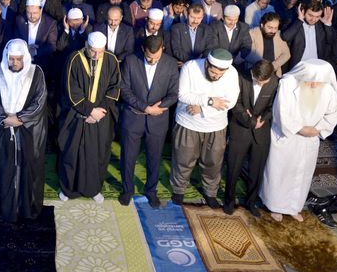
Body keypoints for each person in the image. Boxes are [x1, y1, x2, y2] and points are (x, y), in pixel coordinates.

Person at [260, 59, 337, 222]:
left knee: (302, 174)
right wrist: (300, 129)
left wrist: (318, 129)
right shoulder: (288, 84)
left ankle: (293, 206)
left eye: (317, 82)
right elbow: (281, 111)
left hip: (310, 138)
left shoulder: (328, 89)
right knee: (280, 172)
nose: (313, 85)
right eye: (310, 81)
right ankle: (275, 206)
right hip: (287, 136)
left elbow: (333, 114)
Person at [0, 39, 48, 221]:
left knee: (27, 169)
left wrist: (19, 119)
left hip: (27, 130)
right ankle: (1, 208)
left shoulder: (36, 73)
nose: (15, 63)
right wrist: (5, 118)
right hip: (1, 129)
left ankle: (25, 208)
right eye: (11, 59)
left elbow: (39, 101)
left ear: (25, 57)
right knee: (2, 167)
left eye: (18, 59)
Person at [172, 48, 240, 208]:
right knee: (183, 159)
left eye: (219, 74)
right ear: (207, 63)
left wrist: (202, 108)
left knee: (213, 163)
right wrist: (209, 101)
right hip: (187, 123)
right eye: (213, 71)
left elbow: (230, 102)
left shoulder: (232, 73)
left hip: (216, 127)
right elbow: (182, 95)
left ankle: (210, 193)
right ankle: (178, 190)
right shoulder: (190, 67)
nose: (215, 76)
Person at [57, 31, 121, 203]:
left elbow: (114, 88)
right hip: (77, 115)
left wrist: (99, 112)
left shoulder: (111, 60)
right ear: (86, 45)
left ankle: (93, 189)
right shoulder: (74, 59)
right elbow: (72, 90)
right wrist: (89, 110)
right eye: (93, 51)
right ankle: (69, 189)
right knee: (72, 152)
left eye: (100, 51)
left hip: (102, 115)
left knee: (98, 153)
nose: (96, 55)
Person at [119, 35, 178, 207]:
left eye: (156, 57)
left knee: (154, 158)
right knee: (128, 157)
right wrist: (146, 108)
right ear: (144, 49)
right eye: (149, 57)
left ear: (163, 49)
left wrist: (159, 107)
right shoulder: (130, 61)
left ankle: (151, 191)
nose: (153, 61)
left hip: (158, 120)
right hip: (133, 118)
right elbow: (124, 89)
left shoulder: (170, 63)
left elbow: (174, 93)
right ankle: (127, 190)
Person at [223, 60, 278, 216]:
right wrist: (251, 121)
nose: (260, 85)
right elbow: (235, 103)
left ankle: (251, 201)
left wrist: (263, 119)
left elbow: (273, 105)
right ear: (252, 72)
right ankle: (229, 200)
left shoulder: (275, 81)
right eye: (258, 81)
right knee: (234, 167)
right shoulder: (240, 77)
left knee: (257, 169)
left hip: (261, 131)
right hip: (240, 128)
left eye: (264, 82)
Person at [246, 12, 290, 77]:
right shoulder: (252, 34)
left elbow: (286, 54)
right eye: (270, 27)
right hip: (255, 72)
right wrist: (265, 67)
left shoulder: (278, 35)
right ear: (262, 25)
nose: (273, 31)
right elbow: (248, 53)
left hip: (274, 74)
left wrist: (273, 66)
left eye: (275, 28)